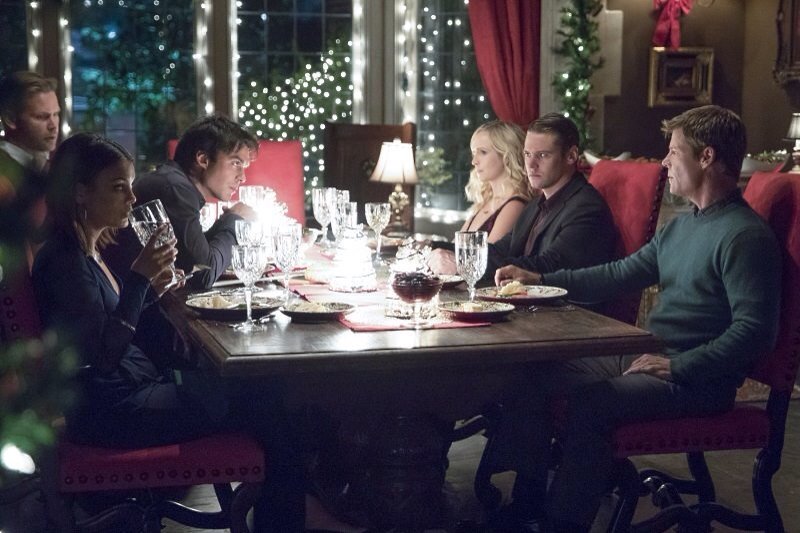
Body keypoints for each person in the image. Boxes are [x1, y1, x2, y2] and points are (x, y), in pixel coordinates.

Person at [491, 105, 782, 532]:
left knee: (593, 403)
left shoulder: (744, 236)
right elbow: (617, 274)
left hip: (697, 380)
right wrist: (540, 280)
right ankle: (527, 504)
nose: (664, 162)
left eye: (674, 151)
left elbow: (755, 332)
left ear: (706, 157)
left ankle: (561, 524)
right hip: (650, 358)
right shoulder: (682, 227)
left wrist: (680, 365)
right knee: (531, 372)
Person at [32, 133, 306, 531]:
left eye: (130, 185)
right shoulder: (64, 262)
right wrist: (141, 280)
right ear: (80, 192)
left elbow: (106, 325)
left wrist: (152, 290)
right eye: (118, 187)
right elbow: (103, 357)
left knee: (268, 394)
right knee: (271, 408)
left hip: (125, 395)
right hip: (113, 413)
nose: (132, 197)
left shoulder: (85, 251)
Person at [427, 113, 615, 279]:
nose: (531, 165)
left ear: (571, 156)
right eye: (527, 154)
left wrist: (462, 264)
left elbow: (548, 265)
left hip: (566, 307)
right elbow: (499, 250)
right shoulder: (536, 205)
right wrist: (433, 247)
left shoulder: (586, 207)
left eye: (542, 155)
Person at [106, 114, 259, 290]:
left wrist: (226, 222)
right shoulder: (175, 190)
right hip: (125, 302)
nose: (243, 177)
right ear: (203, 159)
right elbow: (203, 273)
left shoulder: (172, 181)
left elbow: (188, 259)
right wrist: (236, 221)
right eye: (236, 163)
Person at [0, 71, 60, 264]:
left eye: (56, 115)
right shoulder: (5, 174)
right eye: (41, 117)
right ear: (10, 119)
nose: (53, 125)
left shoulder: (50, 167)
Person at [459, 120, 531, 241]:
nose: (474, 161)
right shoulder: (485, 202)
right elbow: (455, 247)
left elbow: (489, 252)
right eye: (474, 153)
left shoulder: (515, 206)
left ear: (507, 155)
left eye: (483, 152)